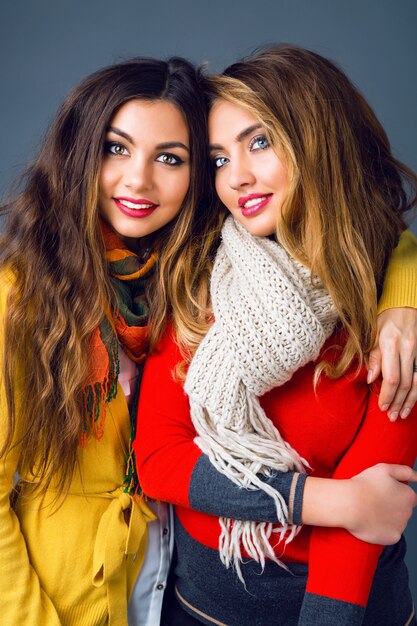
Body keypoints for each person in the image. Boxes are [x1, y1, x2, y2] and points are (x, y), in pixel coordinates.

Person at [135, 45, 417, 626]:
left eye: (259, 142)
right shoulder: (198, 279)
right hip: (198, 607)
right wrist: (319, 501)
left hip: (353, 610)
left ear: (318, 142)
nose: (236, 178)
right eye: (217, 159)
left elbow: (374, 513)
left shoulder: (390, 312)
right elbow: (159, 459)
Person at [0, 56, 221, 626]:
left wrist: (404, 298)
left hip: (181, 587)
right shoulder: (21, 294)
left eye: (169, 159)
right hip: (58, 596)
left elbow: (352, 234)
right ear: (80, 153)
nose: (138, 180)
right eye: (115, 148)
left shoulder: (203, 276)